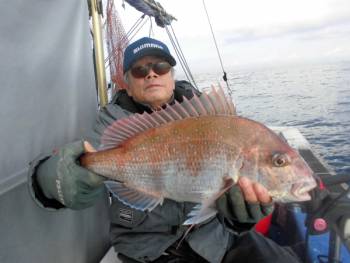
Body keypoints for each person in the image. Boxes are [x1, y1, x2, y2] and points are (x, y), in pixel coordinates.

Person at [28, 37, 300, 263]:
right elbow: (78, 162)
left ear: (172, 74)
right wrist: (56, 176)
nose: (151, 73)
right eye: (139, 70)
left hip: (217, 242)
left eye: (160, 66)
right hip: (148, 249)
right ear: (127, 83)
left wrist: (239, 219)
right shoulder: (111, 123)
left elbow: (227, 201)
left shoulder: (212, 116)